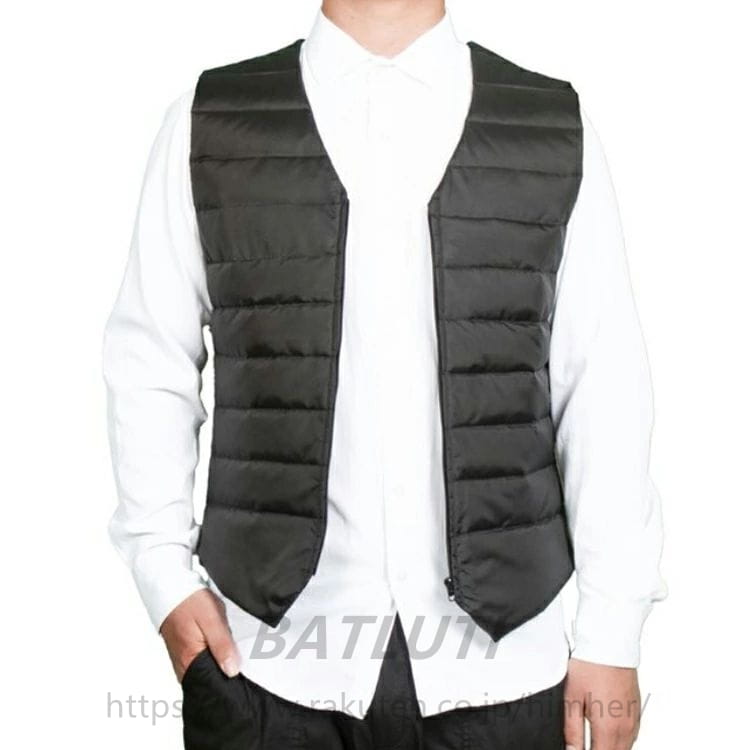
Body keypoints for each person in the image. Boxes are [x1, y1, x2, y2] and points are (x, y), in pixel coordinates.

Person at [102, 1, 666, 748]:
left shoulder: (549, 127)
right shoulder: (209, 124)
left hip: (505, 671)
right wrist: (163, 575)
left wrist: (613, 629)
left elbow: (602, 387)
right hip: (265, 667)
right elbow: (150, 360)